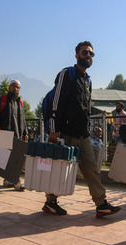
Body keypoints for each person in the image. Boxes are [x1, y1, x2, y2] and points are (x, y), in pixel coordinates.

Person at [46, 41, 121, 217]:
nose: (88, 56)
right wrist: (53, 129)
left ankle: (101, 203)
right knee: (62, 169)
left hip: (83, 133)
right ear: (77, 55)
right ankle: (50, 201)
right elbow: (56, 102)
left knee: (91, 168)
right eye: (85, 52)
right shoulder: (67, 73)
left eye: (91, 54)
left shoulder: (88, 80)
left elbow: (86, 107)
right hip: (65, 131)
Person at [0, 79, 28, 191]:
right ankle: (16, 181)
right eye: (14, 86)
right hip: (5, 135)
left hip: (18, 136)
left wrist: (25, 133)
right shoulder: (2, 100)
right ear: (9, 87)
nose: (15, 89)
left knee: (16, 159)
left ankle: (9, 180)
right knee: (8, 159)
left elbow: (23, 120)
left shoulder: (20, 102)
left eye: (18, 87)